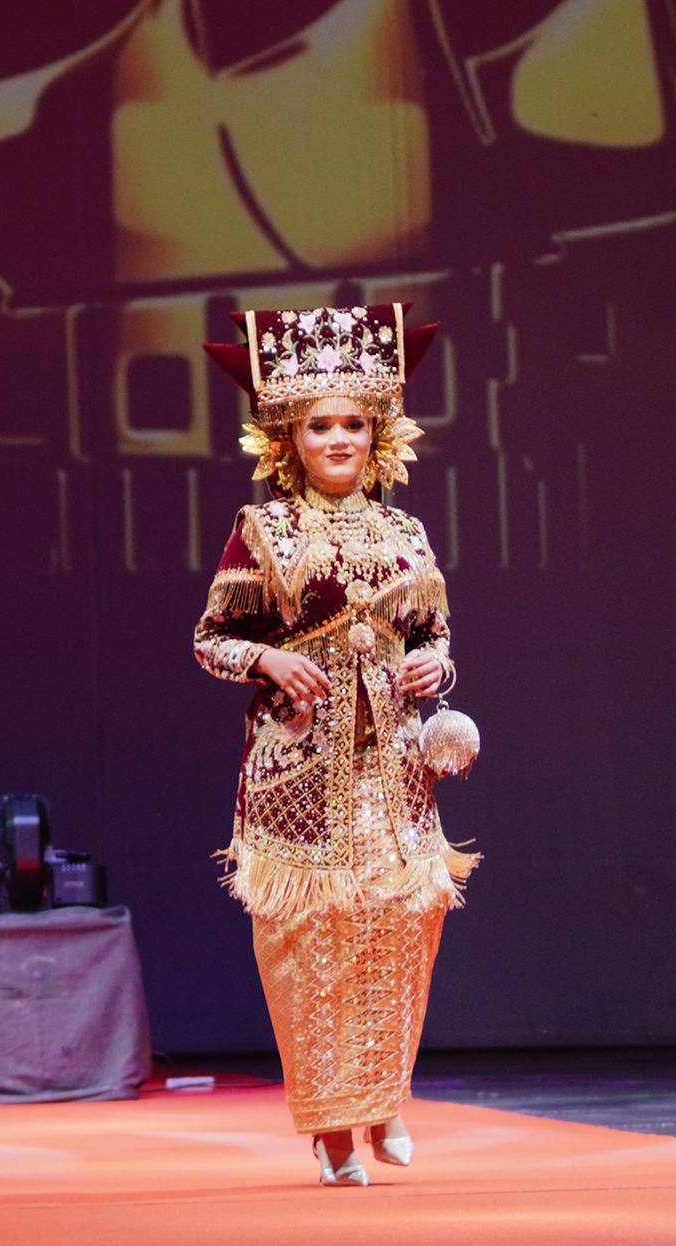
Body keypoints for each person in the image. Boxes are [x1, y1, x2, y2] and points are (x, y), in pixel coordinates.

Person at [194, 302, 478, 1186]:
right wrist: (269, 657)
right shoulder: (264, 530)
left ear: (377, 432)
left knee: (401, 928)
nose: (340, 439)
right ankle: (330, 1128)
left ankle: (383, 1097)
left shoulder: (405, 534)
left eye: (354, 423)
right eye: (321, 425)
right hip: (300, 774)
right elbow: (210, 639)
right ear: (289, 438)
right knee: (315, 943)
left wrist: (435, 665)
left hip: (394, 774)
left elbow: (434, 632)